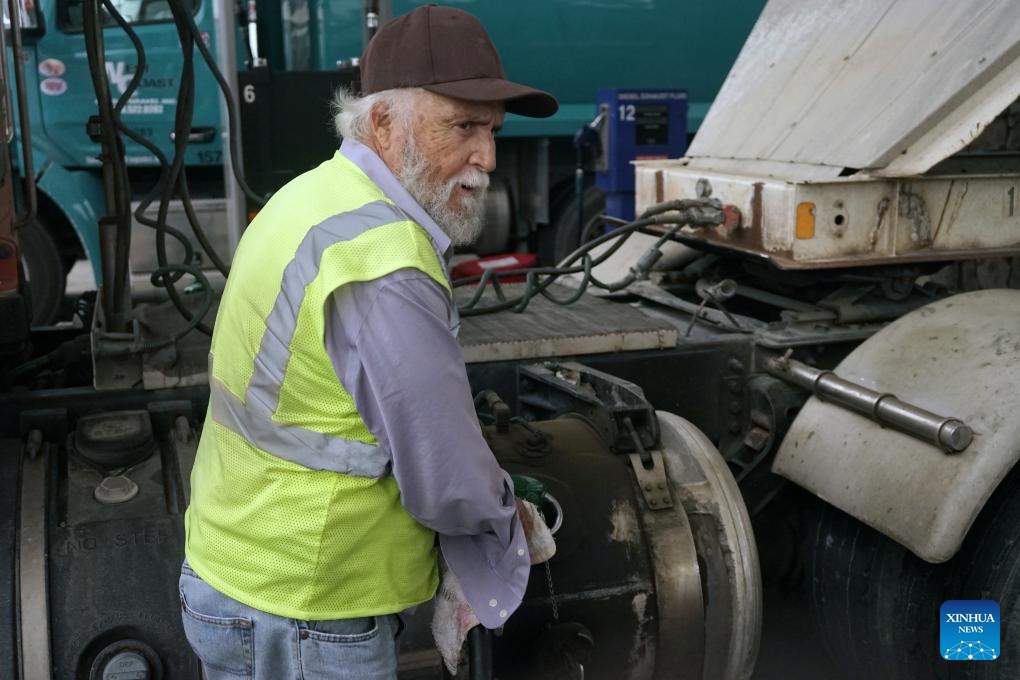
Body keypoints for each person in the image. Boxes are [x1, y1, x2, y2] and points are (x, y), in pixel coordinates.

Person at [178, 4, 558, 679]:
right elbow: (447, 480)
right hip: (311, 601)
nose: (488, 158)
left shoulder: (311, 195)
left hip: (238, 567)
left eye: (492, 132)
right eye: (464, 126)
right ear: (383, 123)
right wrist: (512, 519)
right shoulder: (384, 263)